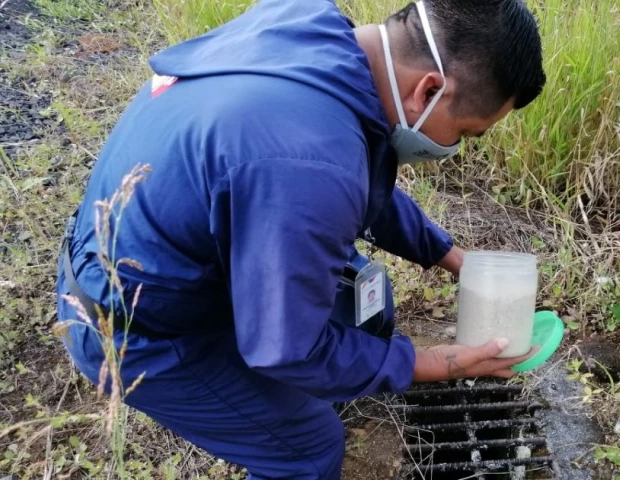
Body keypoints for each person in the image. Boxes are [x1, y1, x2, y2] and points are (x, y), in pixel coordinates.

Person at [55, 0, 546, 478]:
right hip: (137, 326)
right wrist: (430, 363)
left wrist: (451, 257)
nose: (454, 147)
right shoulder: (308, 162)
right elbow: (286, 347)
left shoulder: (309, 26)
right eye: (465, 132)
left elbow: (355, 175)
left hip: (161, 249)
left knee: (365, 305)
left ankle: (312, 391)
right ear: (429, 89)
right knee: (308, 453)